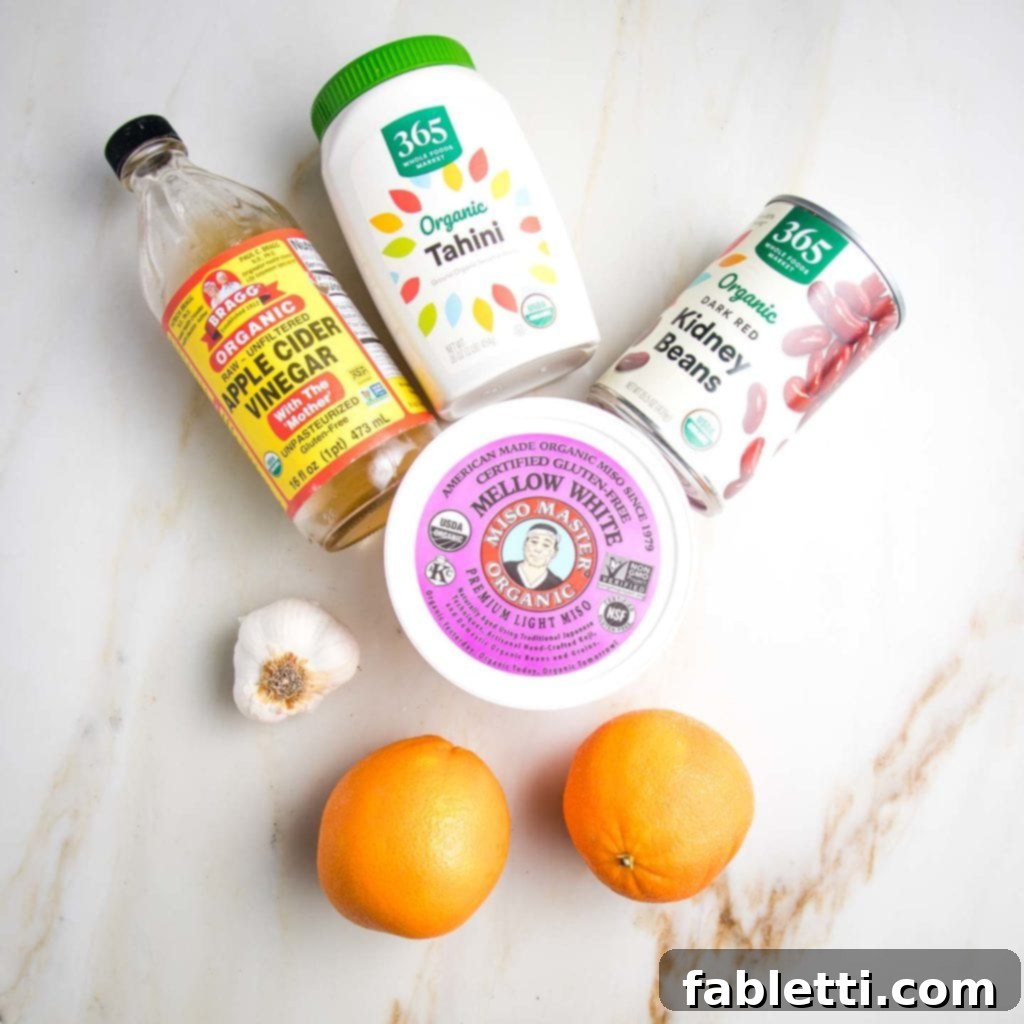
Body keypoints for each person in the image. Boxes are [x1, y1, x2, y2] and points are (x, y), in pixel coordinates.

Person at [503, 522, 565, 590]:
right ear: (525, 545)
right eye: (534, 542)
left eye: (546, 545)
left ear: (554, 552)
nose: (538, 549)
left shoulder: (557, 585)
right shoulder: (505, 569)